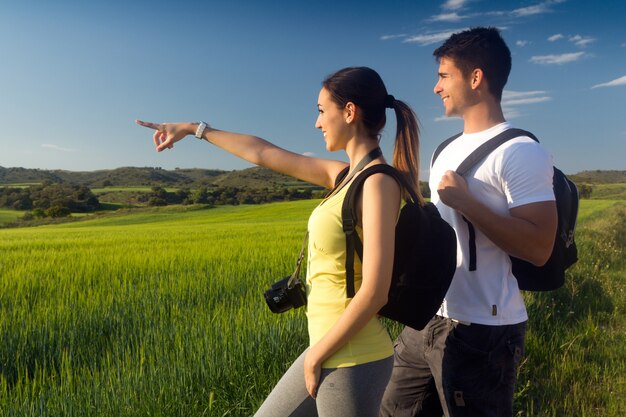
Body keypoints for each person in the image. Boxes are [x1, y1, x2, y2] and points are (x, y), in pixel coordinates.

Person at [136, 66, 424, 417]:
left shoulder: (379, 184)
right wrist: (195, 129)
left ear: (349, 112)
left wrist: (317, 355)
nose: (317, 123)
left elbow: (376, 291)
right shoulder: (344, 175)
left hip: (353, 357)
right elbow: (263, 153)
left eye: (321, 111)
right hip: (328, 347)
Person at [379, 27, 558, 417]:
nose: (436, 87)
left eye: (444, 76)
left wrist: (466, 201)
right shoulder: (445, 149)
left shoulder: (521, 151)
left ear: (476, 78)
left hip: (484, 332)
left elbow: (540, 247)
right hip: (427, 318)